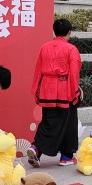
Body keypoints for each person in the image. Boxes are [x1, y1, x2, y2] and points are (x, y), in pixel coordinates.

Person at [28, 18, 82, 167]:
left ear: (54, 31)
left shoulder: (44, 47)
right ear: (69, 32)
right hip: (64, 89)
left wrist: (36, 91)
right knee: (69, 122)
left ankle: (36, 149)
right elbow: (74, 73)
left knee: (48, 121)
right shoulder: (71, 49)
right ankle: (65, 156)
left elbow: (38, 70)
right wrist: (74, 92)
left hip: (47, 88)